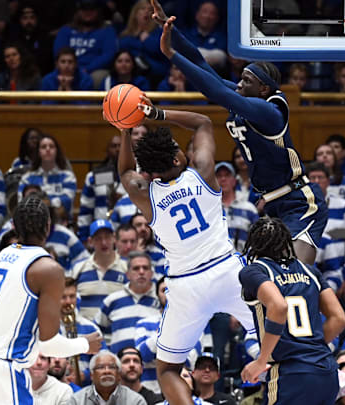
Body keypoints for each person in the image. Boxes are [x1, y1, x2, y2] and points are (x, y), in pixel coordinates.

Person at [152, 5, 328, 264]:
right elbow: (202, 64)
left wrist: (171, 55)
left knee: (297, 277)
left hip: (300, 202)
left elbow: (216, 92)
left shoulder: (270, 112)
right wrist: (170, 28)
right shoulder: (246, 96)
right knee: (269, 279)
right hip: (272, 203)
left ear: (263, 88)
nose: (239, 84)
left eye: (246, 81)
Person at [111, 98, 256, 405]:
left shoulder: (145, 194)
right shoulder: (202, 171)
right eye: (178, 147)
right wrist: (158, 114)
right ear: (177, 160)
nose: (181, 148)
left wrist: (125, 131)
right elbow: (202, 121)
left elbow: (124, 169)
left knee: (167, 370)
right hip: (228, 272)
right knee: (286, 339)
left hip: (186, 285)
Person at [0, 195, 102, 404]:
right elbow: (48, 345)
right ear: (49, 226)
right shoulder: (48, 269)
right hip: (7, 371)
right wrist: (85, 344)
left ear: (14, 227)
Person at [238, 216, 345, 404]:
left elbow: (279, 307)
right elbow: (339, 319)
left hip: (291, 373)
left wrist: (261, 361)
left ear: (253, 244)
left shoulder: (255, 271)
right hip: (326, 370)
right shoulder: (310, 271)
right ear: (285, 242)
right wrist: (310, 347)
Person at [306, 162, 345, 291]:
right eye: (312, 178)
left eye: (320, 177)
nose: (316, 181)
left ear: (328, 181)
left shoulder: (343, 206)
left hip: (338, 276)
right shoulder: (299, 208)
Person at [97, 251, 160, 353]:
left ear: (152, 274)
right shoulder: (112, 300)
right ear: (127, 274)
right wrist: (105, 352)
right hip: (119, 364)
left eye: (145, 268)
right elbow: (96, 331)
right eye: (136, 268)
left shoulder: (160, 299)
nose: (141, 272)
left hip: (151, 365)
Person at [69, 220, 128, 321]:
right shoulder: (78, 268)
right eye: (98, 238)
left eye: (107, 237)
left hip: (115, 330)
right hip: (86, 333)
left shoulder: (127, 267)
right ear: (90, 241)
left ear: (114, 238)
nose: (104, 242)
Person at [53, 0, 118, 88]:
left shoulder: (107, 30)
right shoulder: (66, 30)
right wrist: (73, 68)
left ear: (98, 11)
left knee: (99, 77)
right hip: (68, 67)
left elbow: (109, 54)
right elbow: (59, 52)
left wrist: (87, 69)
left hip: (94, 70)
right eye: (84, 9)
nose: (88, 13)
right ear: (78, 11)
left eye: (91, 9)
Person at [18, 134, 77, 218]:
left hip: (61, 224)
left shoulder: (68, 177)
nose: (48, 149)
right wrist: (51, 204)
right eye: (43, 147)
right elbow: (21, 203)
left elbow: (67, 202)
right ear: (38, 152)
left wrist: (42, 204)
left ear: (57, 151)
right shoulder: (27, 178)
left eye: (51, 146)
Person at [68, 350, 147, 405]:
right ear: (91, 375)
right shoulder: (77, 400)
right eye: (101, 367)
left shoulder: (135, 401)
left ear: (119, 375)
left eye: (112, 367)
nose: (107, 371)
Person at [119, 0, 170, 82]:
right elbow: (122, 50)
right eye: (142, 9)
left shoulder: (159, 33)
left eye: (150, 9)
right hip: (131, 75)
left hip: (156, 74)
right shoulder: (126, 34)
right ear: (135, 14)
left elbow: (161, 53)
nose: (146, 11)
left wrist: (147, 41)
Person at [215, 161, 259, 252]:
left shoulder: (249, 209)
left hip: (243, 262)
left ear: (234, 181)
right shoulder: (210, 209)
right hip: (217, 263)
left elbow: (258, 241)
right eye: (219, 176)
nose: (223, 179)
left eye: (227, 175)